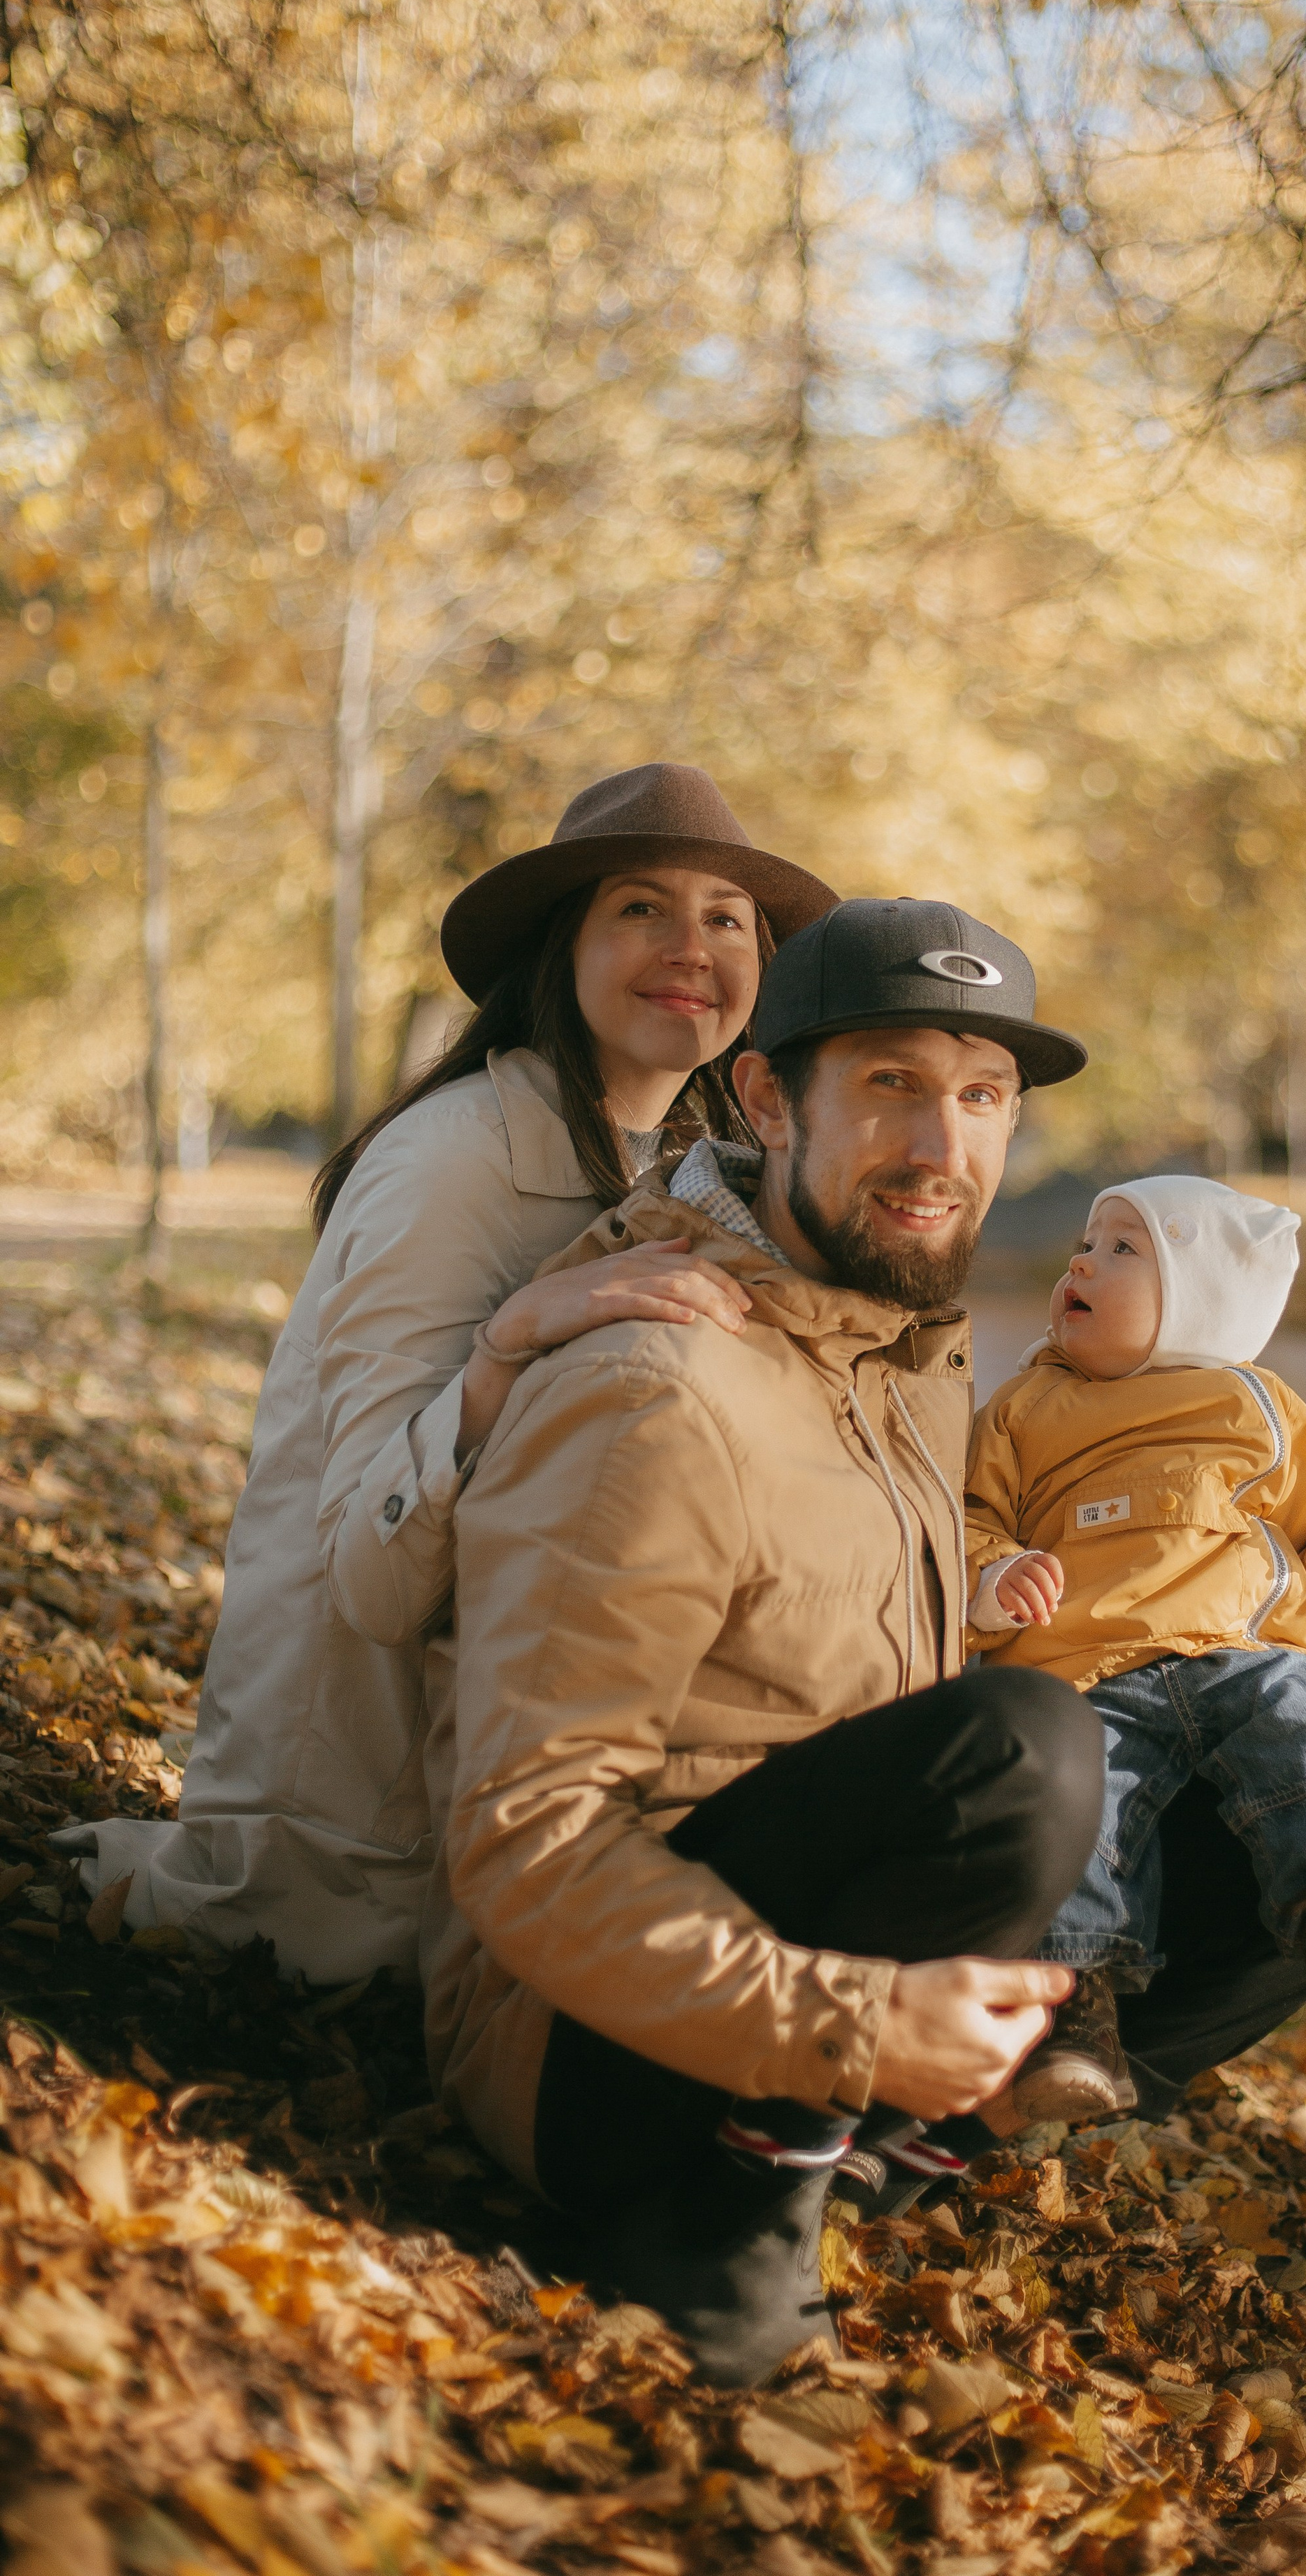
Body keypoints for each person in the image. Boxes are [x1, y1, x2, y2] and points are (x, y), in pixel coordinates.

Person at [426, 896, 1105, 2384]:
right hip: (574, 2053)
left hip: (757, 1997)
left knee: (1244, 1798)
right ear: (759, 1092)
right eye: (889, 1085)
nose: (943, 1148)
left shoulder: (900, 1346)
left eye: (980, 1097)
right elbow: (523, 1842)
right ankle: (721, 2228)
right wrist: (856, 2025)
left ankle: (862, 2163)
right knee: (1025, 1751)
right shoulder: (659, 1388)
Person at [59, 764, 836, 1977]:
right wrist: (510, 1342)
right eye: (641, 908)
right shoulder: (450, 1162)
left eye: (727, 918)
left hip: (544, 1762)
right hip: (365, 1839)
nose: (691, 945)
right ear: (560, 947)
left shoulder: (698, 1170)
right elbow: (368, 1577)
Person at [962, 1173, 1306, 2127]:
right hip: (1085, 1668)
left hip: (1245, 1649)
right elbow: (969, 1519)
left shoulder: (1260, 1407)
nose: (1081, 1261)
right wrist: (994, 1576)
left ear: (1200, 1299)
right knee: (1082, 1814)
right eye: (1085, 1245)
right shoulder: (1022, 1408)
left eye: (1124, 1249)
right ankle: (1074, 2022)